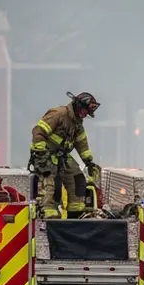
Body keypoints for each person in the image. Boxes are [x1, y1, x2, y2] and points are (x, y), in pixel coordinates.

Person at [30, 91, 101, 219]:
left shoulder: (78, 123)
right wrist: (40, 151)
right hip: (46, 154)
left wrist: (88, 162)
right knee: (50, 183)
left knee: (78, 179)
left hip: (62, 156)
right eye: (85, 111)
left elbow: (81, 143)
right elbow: (38, 131)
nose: (85, 115)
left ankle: (75, 214)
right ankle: (48, 214)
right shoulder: (59, 114)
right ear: (78, 105)